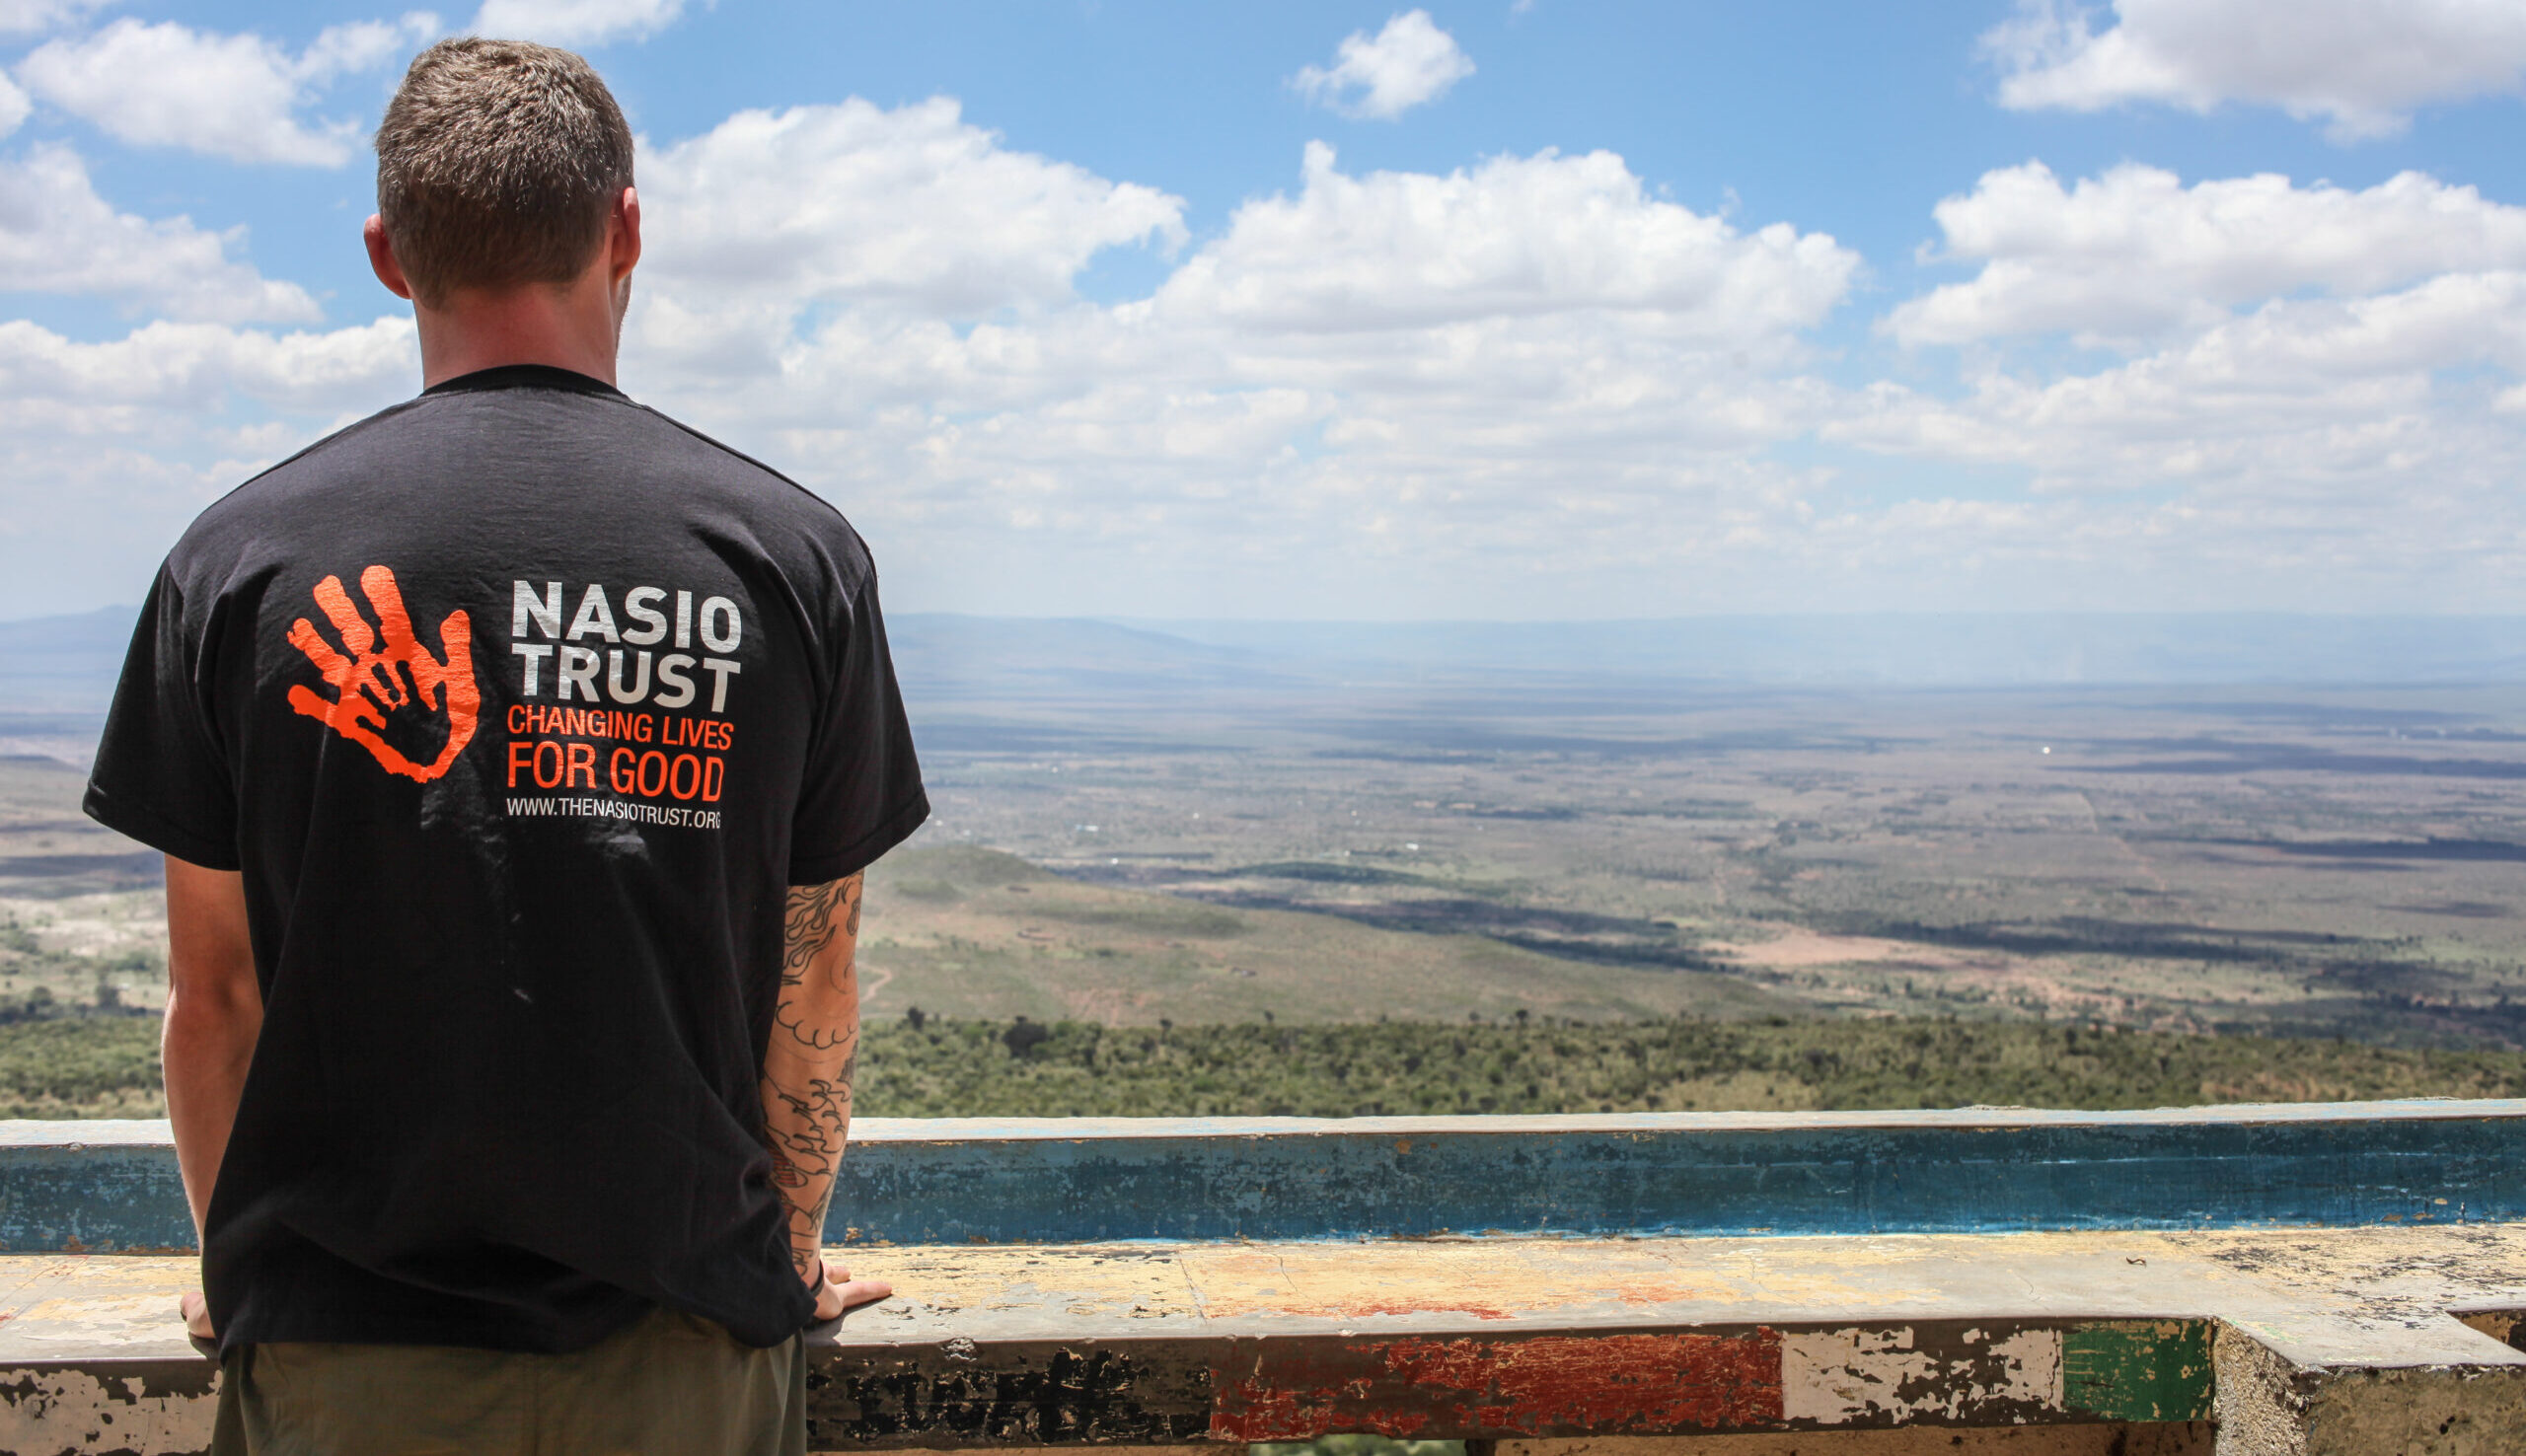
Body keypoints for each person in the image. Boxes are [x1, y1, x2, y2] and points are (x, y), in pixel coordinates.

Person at [82, 36, 928, 1456]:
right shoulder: (794, 558)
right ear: (629, 230)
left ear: (386, 256)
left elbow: (214, 994)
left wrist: (250, 1282)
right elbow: (816, 967)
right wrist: (774, 1255)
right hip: (686, 1364)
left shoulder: (238, 564)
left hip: (345, 1368)